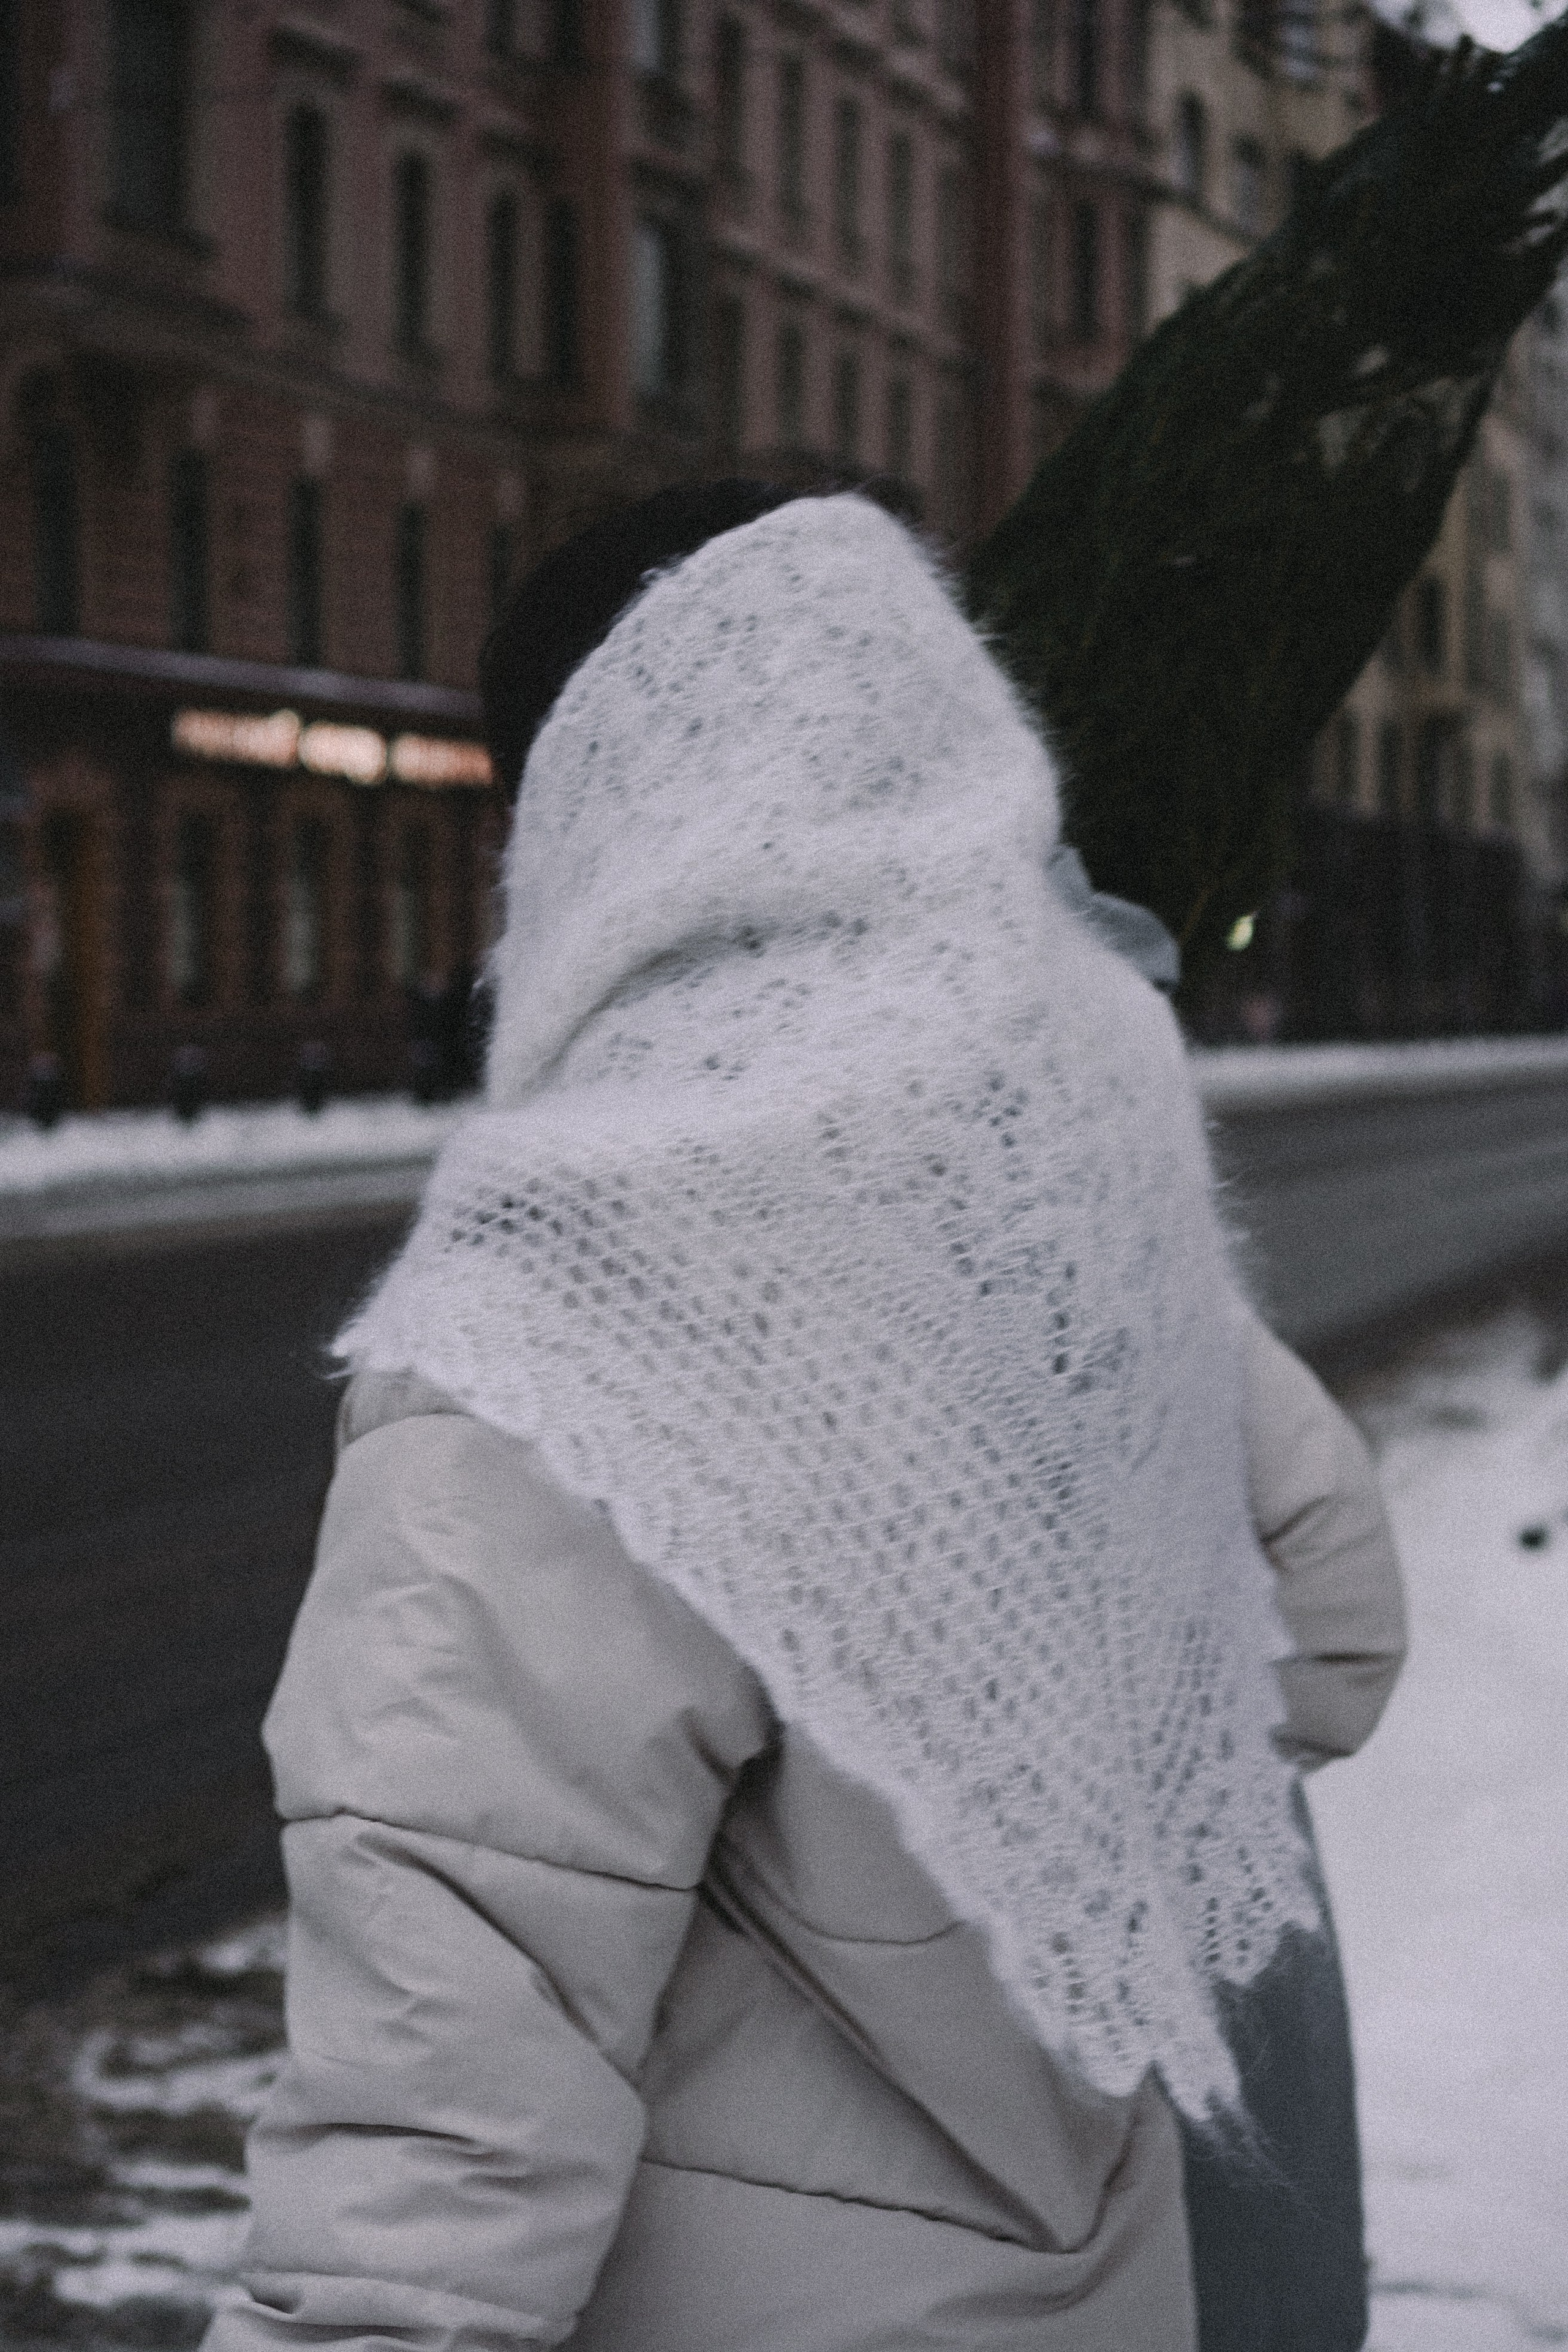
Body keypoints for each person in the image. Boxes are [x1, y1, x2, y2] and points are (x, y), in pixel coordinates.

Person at [208, 487, 1404, 2352]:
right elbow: (1323, 1649)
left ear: (592, 806)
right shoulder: (1071, 1165)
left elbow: (443, 2089)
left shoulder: (578, 1284)